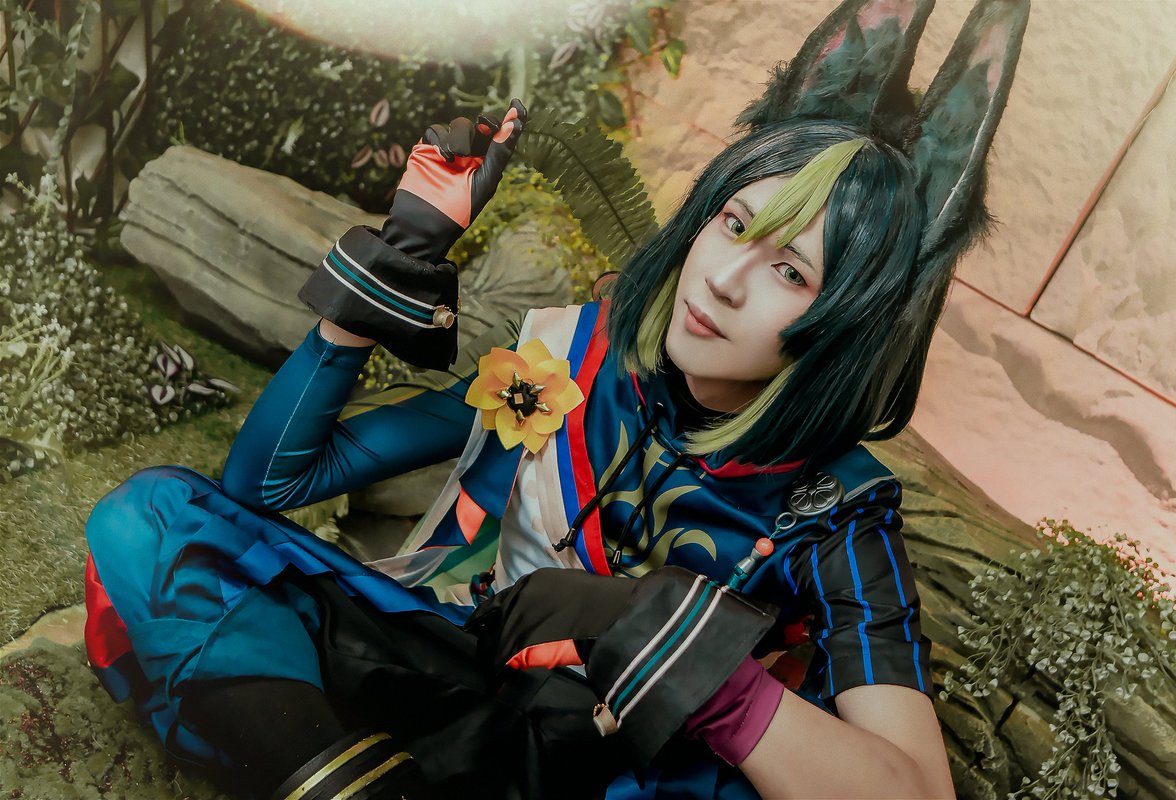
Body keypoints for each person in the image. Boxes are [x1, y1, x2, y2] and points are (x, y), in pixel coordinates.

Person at [82, 0, 1029, 797]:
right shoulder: (575, 363)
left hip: (613, 775)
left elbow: (911, 790)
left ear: (849, 324)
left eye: (791, 270)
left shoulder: (835, 512)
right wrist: (390, 271)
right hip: (458, 680)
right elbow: (269, 487)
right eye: (734, 222)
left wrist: (647, 622)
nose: (725, 278)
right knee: (149, 521)